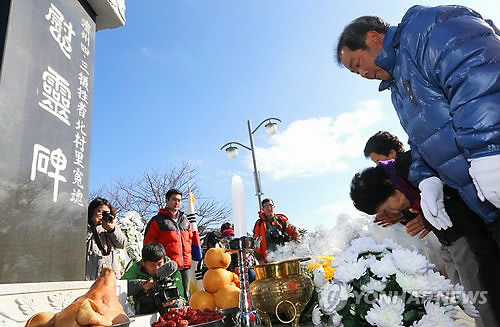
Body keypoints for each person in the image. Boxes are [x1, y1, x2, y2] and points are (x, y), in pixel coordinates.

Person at [336, 6, 500, 236]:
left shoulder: (423, 32)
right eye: (355, 73)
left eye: (357, 64)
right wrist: (427, 180)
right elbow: (420, 140)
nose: (362, 74)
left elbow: (475, 72)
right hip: (480, 197)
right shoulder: (397, 89)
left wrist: (489, 150)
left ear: (372, 38)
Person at [350, 155, 499, 326]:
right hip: (451, 240)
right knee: (472, 298)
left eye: (386, 208)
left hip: (467, 236)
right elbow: (416, 205)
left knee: (480, 299)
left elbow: (456, 193)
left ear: (389, 186)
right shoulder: (401, 184)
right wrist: (405, 216)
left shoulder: (412, 166)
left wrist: (427, 216)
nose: (390, 213)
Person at [144, 188, 192, 299]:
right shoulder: (157, 221)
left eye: (179, 200)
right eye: (174, 199)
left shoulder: (185, 221)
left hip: (185, 266)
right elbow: (148, 244)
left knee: (186, 295)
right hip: (167, 267)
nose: (177, 202)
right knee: (169, 297)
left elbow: (190, 240)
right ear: (167, 200)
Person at [121, 242, 184, 315]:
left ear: (164, 260)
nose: (157, 268)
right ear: (143, 263)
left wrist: (175, 302)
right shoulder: (136, 269)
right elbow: (120, 287)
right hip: (144, 312)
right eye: (152, 265)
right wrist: (140, 285)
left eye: (160, 264)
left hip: (171, 313)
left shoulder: (172, 270)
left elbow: (182, 300)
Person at [86, 197, 127, 280]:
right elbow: (76, 244)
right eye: (100, 212)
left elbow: (122, 244)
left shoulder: (112, 226)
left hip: (109, 277)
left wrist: (112, 230)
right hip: (90, 276)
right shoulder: (85, 226)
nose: (104, 215)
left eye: (107, 213)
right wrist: (93, 224)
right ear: (92, 212)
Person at [253, 198, 299, 264]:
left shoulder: (282, 220)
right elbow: (256, 244)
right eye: (266, 206)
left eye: (271, 205)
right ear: (262, 209)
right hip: (268, 262)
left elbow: (294, 232)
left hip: (285, 259)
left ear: (274, 207)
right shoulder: (259, 224)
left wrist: (294, 247)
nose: (269, 208)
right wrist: (260, 260)